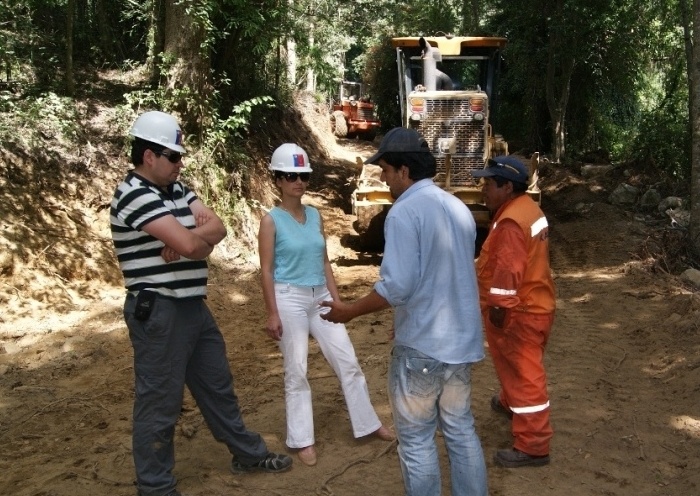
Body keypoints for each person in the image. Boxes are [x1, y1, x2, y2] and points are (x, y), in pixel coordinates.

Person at [110, 111, 292, 496]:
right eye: (174, 156)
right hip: (159, 310)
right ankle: (156, 487)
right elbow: (197, 244)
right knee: (160, 401)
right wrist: (193, 239)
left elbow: (218, 228)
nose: (180, 163)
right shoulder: (133, 195)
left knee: (217, 386)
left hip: (193, 306)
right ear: (149, 157)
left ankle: (246, 454)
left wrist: (185, 238)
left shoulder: (177, 189)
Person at [321, 128, 488, 496]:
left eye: (385, 169)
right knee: (461, 432)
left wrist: (349, 311)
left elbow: (398, 286)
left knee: (416, 441)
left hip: (423, 351)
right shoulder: (457, 208)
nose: (382, 176)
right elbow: (443, 278)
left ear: (403, 171)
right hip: (460, 344)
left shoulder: (404, 211)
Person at [257, 143, 394, 467]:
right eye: (291, 176)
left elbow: (324, 260)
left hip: (320, 296)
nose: (299, 182)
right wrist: (272, 312)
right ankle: (302, 439)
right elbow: (266, 269)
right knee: (297, 369)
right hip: (289, 297)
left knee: (347, 359)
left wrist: (337, 299)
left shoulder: (315, 215)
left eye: (303, 175)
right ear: (278, 180)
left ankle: (368, 423)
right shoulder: (270, 221)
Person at [472, 156, 556, 468]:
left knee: (524, 374)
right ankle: (511, 402)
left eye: (489, 184)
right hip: (537, 304)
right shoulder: (528, 210)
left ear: (508, 187)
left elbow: (508, 273)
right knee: (515, 367)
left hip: (519, 312)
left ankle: (533, 445)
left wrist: (499, 310)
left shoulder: (510, 223)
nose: (484, 190)